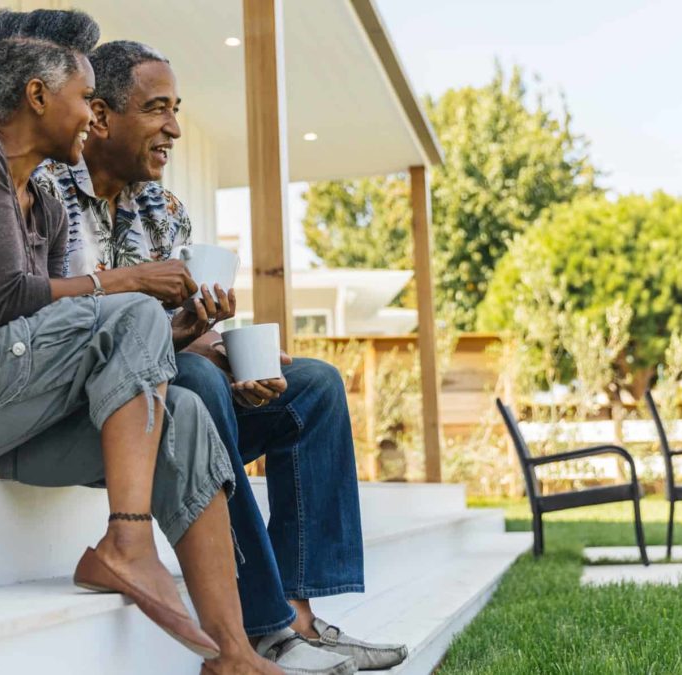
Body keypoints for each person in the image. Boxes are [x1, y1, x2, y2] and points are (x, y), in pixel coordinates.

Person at [0, 11, 282, 673]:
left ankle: (234, 652)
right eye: (85, 98)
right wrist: (133, 280)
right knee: (129, 305)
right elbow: (7, 300)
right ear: (37, 96)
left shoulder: (45, 209)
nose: (91, 115)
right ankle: (127, 544)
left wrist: (180, 334)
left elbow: (71, 341)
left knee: (186, 416)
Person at [34, 40, 409, 674]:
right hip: (94, 414)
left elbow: (176, 338)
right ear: (100, 116)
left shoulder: (164, 208)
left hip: (177, 397)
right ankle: (260, 627)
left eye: (176, 110)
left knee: (312, 384)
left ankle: (299, 618)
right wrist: (194, 353)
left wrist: (221, 349)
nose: (175, 129)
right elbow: (49, 330)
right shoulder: (46, 194)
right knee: (200, 384)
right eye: (158, 110)